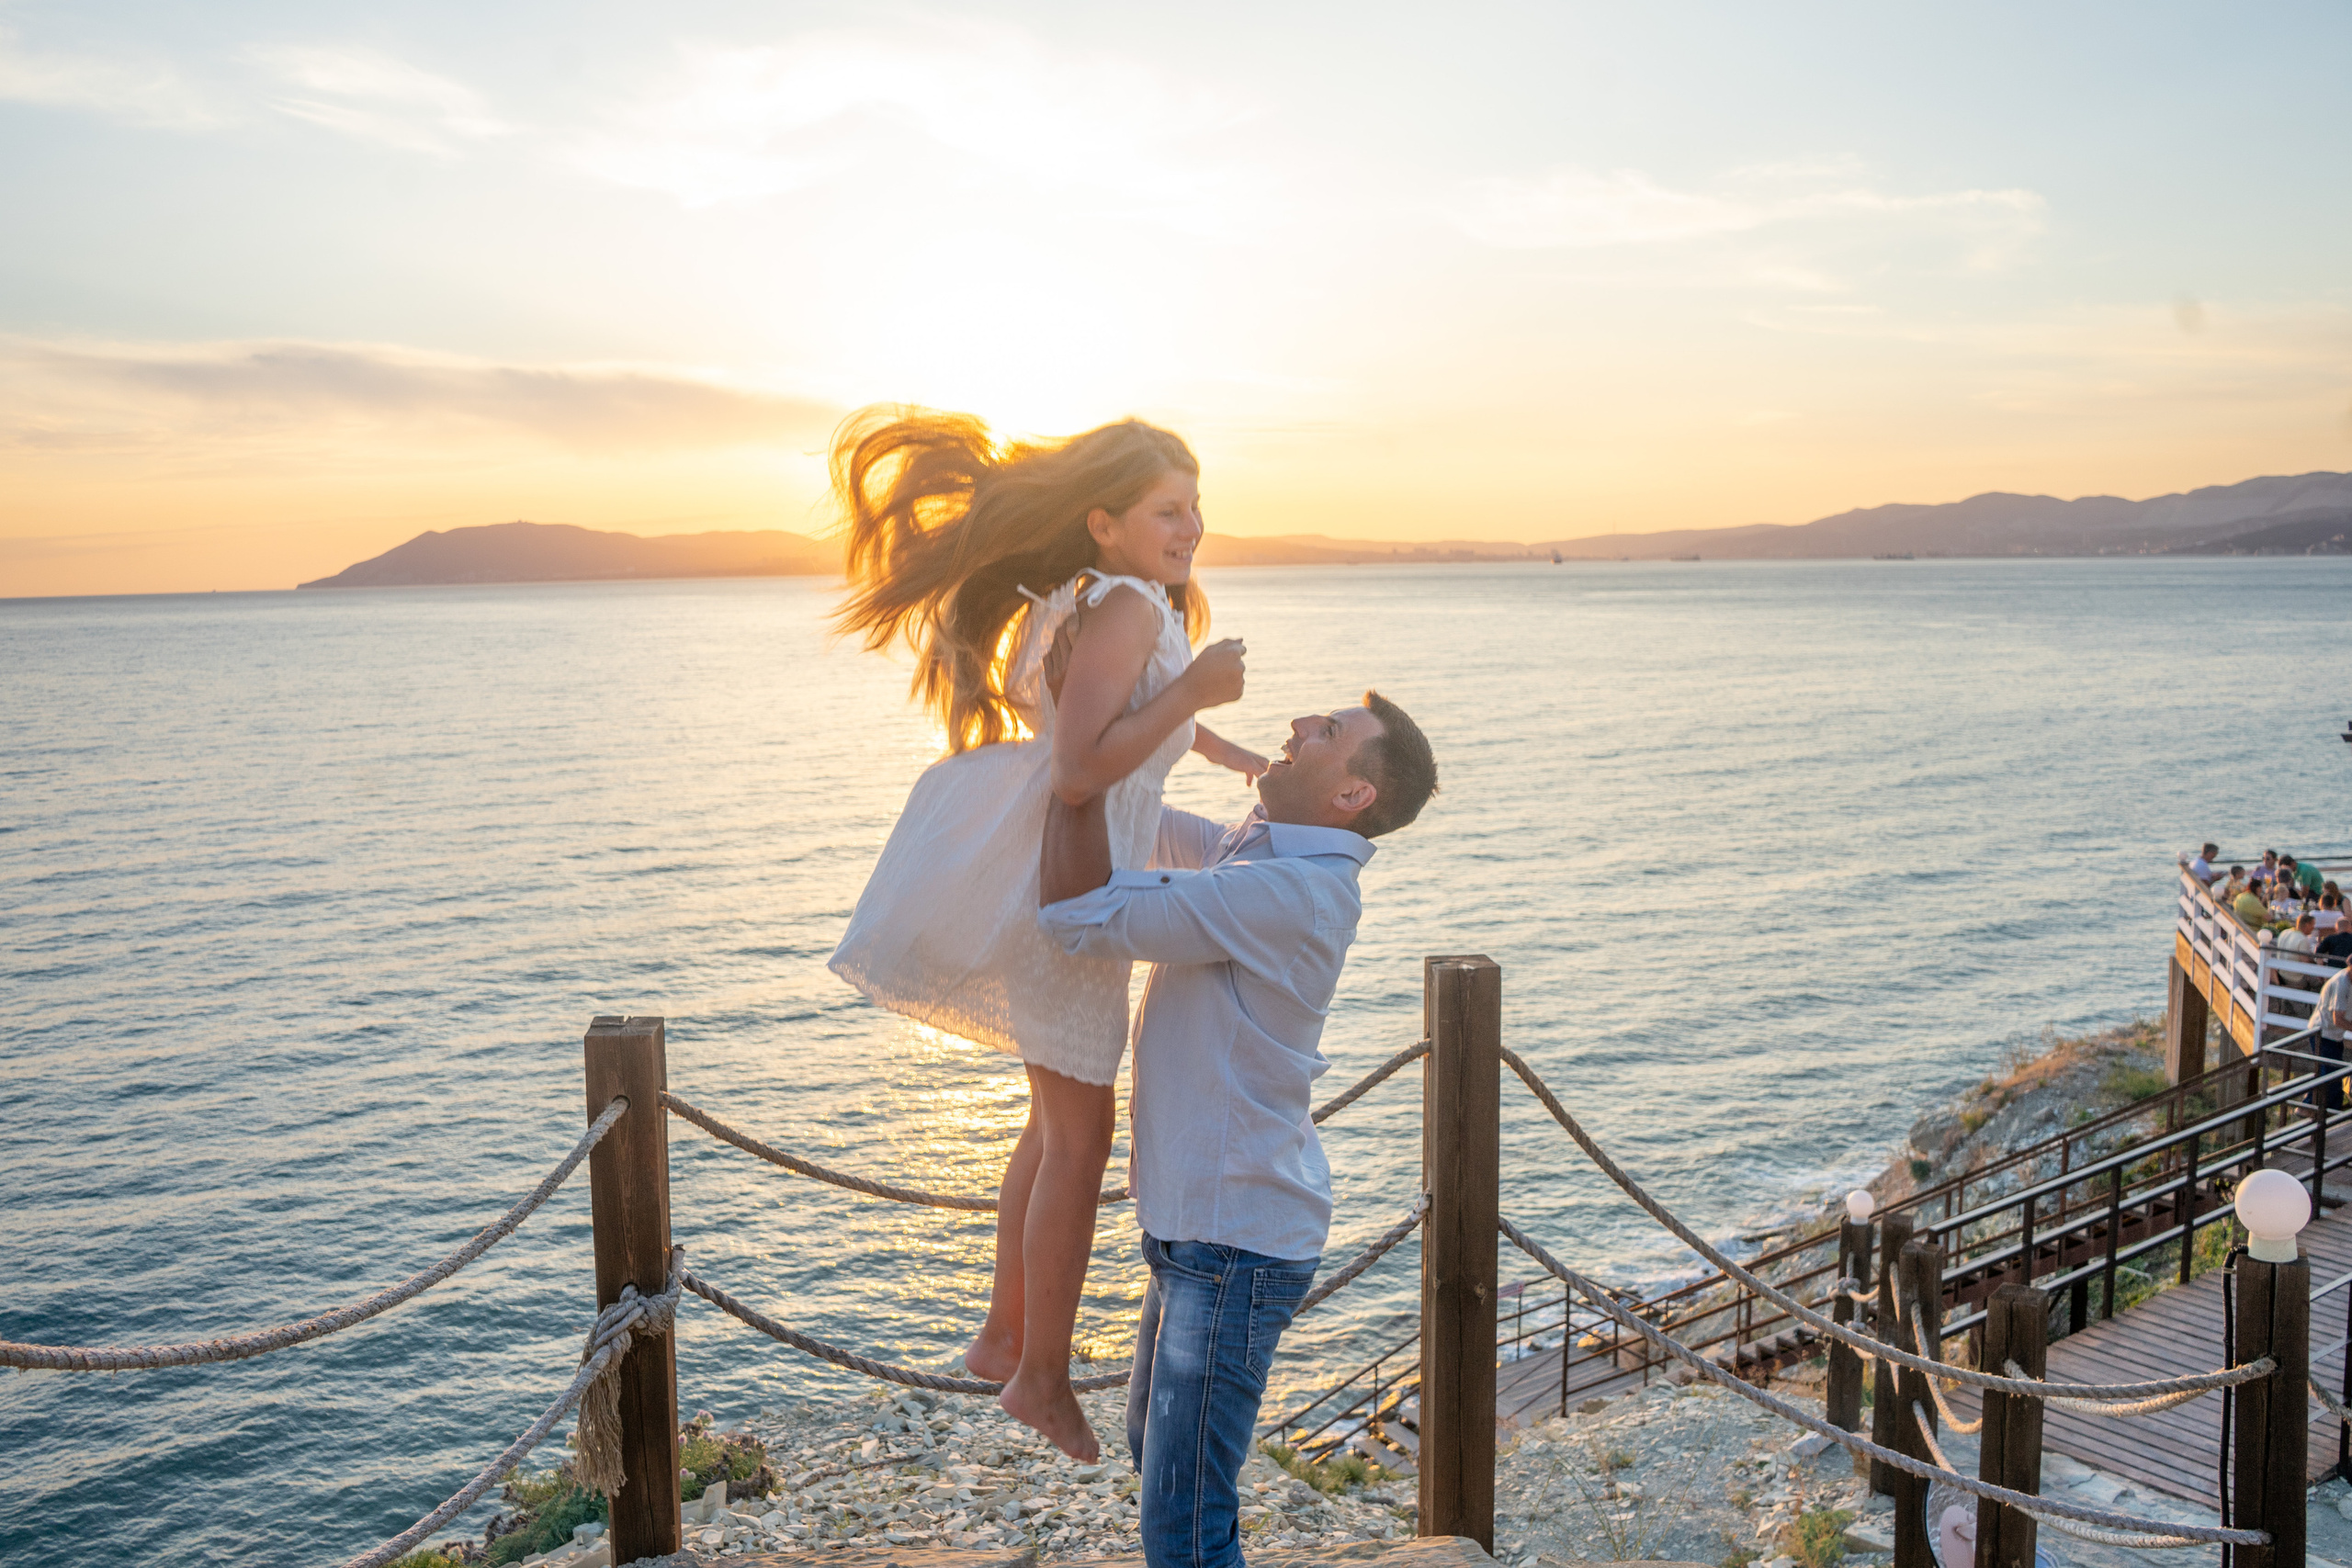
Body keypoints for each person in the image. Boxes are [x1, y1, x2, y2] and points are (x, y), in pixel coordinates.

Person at [826, 407, 1267, 1459]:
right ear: (1104, 521)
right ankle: (1041, 1377)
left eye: (1197, 505)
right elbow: (1079, 768)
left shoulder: (1090, 601)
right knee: (1081, 1140)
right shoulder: (1123, 605)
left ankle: (1001, 1334)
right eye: (1169, 508)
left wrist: (1216, 739)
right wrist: (1198, 687)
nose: (1192, 524)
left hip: (1047, 880)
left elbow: (1127, 704)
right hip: (1071, 889)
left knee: (1049, 1129)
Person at [1037, 692, 1439, 1568]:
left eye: (1327, 732)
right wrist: (1104, 727)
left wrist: (1082, 778)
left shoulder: (1292, 891)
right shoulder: (1254, 846)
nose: (1298, 724)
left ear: (1352, 796)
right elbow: (1136, 817)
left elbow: (1083, 918)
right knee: (1163, 1469)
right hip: (1201, 1229)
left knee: (1182, 1525)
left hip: (1234, 1245)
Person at [2313, 958, 2352, 1112]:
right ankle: (2324, 1111)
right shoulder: (2341, 983)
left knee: (2333, 1074)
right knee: (2331, 1076)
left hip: (2334, 1035)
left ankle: (2330, 1110)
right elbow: (2338, 1019)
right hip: (2323, 1033)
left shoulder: (2349, 981)